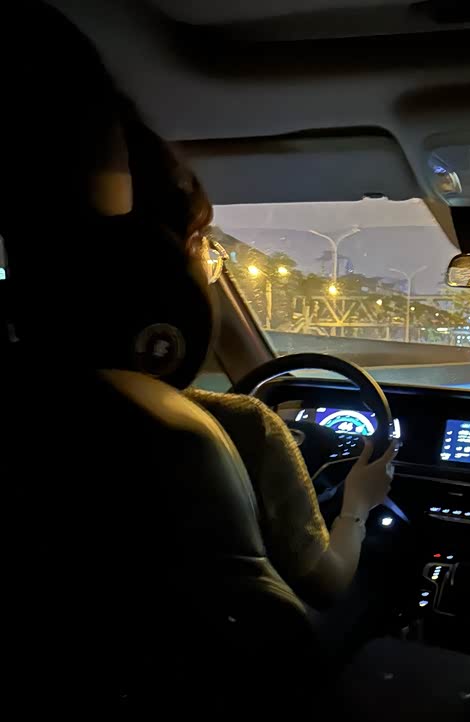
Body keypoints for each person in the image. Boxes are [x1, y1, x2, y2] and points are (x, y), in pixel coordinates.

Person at [2, 2, 397, 613]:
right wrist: (358, 506)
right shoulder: (235, 428)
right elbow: (325, 583)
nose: (209, 271)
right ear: (163, 303)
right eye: (203, 252)